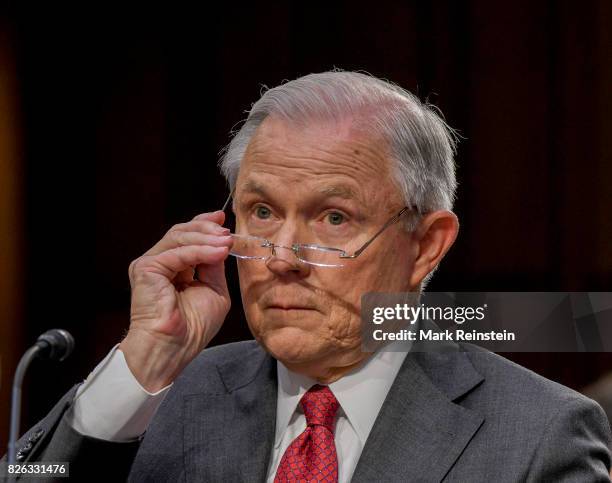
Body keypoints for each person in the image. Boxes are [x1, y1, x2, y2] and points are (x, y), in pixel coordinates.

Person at [5, 71, 611, 482]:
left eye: (333, 217)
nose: (281, 257)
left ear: (427, 245)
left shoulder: (541, 435)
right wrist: (143, 363)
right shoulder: (166, 395)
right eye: (262, 212)